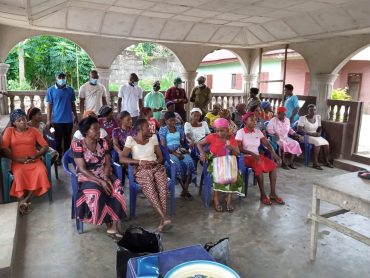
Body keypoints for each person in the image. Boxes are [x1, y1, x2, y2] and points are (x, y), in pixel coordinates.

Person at [71, 116, 126, 237]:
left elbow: (107, 162)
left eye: (98, 128)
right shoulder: (77, 145)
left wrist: (106, 177)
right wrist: (100, 182)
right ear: (86, 131)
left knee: (118, 188)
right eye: (94, 129)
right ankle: (108, 224)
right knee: (96, 192)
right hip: (87, 176)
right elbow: (82, 169)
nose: (98, 131)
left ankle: (114, 226)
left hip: (103, 172)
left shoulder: (103, 142)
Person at [120, 118, 171, 232]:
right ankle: (164, 217)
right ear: (139, 129)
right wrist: (139, 162)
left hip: (156, 167)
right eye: (147, 127)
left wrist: (156, 162)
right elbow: (122, 158)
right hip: (142, 169)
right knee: (150, 188)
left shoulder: (153, 137)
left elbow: (160, 156)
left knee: (162, 189)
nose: (150, 128)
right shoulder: (131, 140)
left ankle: (163, 220)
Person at [1, 109, 51, 215]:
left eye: (23, 119)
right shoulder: (9, 131)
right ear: (14, 123)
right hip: (18, 162)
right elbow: (4, 149)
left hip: (34, 160)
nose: (23, 122)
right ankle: (23, 200)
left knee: (41, 172)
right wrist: (16, 159)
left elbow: (45, 146)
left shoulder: (33, 130)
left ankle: (25, 200)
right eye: (19, 120)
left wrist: (36, 155)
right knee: (19, 174)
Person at [236, 112, 284, 206]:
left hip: (257, 156)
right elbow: (239, 148)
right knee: (258, 167)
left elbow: (266, 143)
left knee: (273, 166)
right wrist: (251, 153)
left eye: (255, 119)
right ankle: (263, 195)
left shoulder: (257, 131)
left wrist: (273, 153)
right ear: (245, 121)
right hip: (245, 158)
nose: (255, 121)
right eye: (252, 120)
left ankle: (273, 193)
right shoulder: (240, 132)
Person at [198, 118, 244, 213]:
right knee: (219, 172)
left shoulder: (231, 138)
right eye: (217, 130)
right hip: (214, 161)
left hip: (227, 162)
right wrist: (202, 153)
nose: (219, 133)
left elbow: (238, 153)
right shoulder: (212, 136)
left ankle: (229, 199)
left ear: (227, 129)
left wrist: (231, 147)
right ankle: (216, 199)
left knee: (233, 174)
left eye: (222, 130)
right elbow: (199, 144)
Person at [159, 112, 195, 200]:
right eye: (171, 121)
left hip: (179, 149)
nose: (173, 122)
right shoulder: (163, 130)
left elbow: (182, 142)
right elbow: (163, 146)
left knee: (189, 162)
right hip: (169, 152)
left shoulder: (179, 128)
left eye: (174, 120)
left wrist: (184, 149)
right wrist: (174, 153)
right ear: (166, 121)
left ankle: (185, 189)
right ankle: (185, 189)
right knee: (175, 164)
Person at [46, 72, 78, 165]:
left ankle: (67, 157)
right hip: (56, 121)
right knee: (57, 140)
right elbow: (49, 106)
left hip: (68, 120)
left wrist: (75, 115)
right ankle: (58, 157)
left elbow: (73, 104)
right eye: (60, 77)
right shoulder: (51, 90)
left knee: (68, 139)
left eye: (63, 77)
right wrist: (48, 120)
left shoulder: (70, 90)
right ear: (56, 78)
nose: (62, 79)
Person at [298, 104, 333, 170]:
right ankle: (315, 162)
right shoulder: (303, 118)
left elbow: (320, 127)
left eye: (314, 110)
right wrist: (311, 134)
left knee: (326, 143)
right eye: (311, 110)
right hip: (305, 136)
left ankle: (326, 161)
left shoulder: (318, 117)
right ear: (307, 111)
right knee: (317, 143)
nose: (313, 111)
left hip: (316, 135)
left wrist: (319, 133)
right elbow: (300, 129)